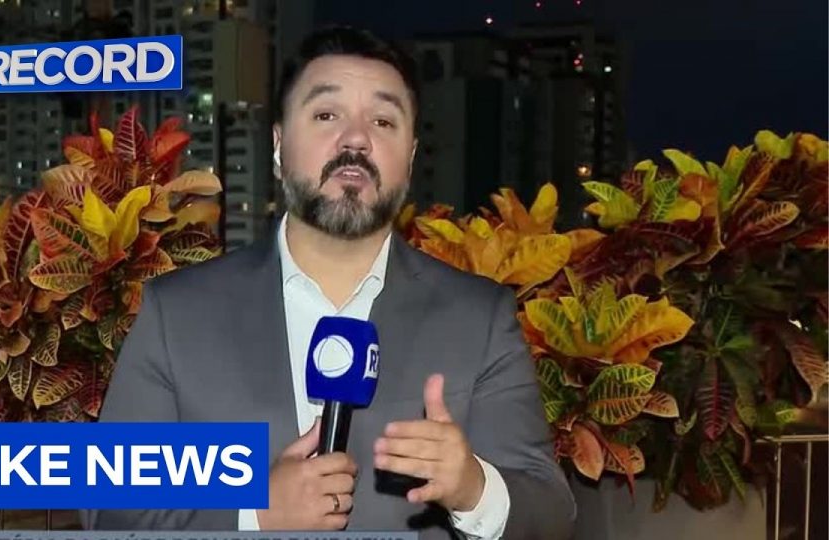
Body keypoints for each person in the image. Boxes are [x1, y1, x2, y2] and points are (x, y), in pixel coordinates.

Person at [82, 26, 575, 540]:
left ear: (410, 158)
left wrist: (474, 489)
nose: (356, 139)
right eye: (326, 115)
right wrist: (252, 515)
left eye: (383, 120)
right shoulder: (178, 313)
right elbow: (109, 513)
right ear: (278, 145)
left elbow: (551, 516)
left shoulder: (478, 318)